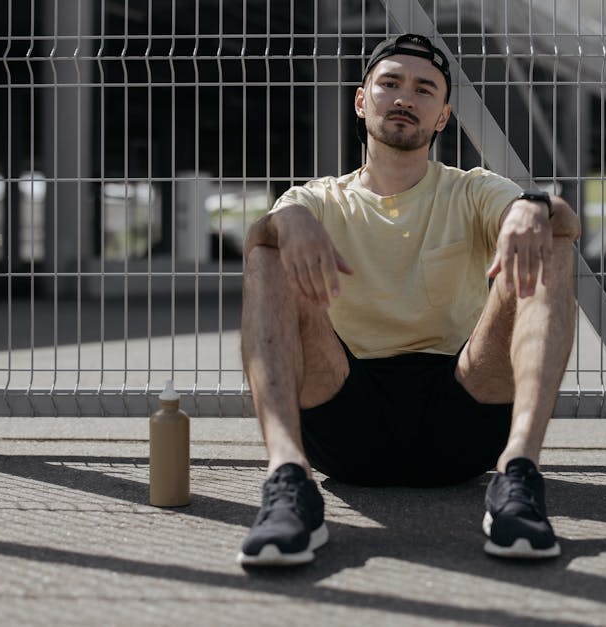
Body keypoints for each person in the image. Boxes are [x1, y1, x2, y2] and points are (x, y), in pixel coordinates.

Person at [236, 33, 581, 566]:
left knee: (548, 239)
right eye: (390, 83)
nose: (404, 98)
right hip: (345, 416)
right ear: (361, 100)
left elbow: (566, 222)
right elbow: (260, 239)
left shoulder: (471, 188)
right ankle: (288, 479)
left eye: (424, 90)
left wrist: (533, 207)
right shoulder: (317, 198)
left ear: (442, 117)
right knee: (268, 249)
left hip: (462, 412)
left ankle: (519, 474)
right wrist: (284, 221)